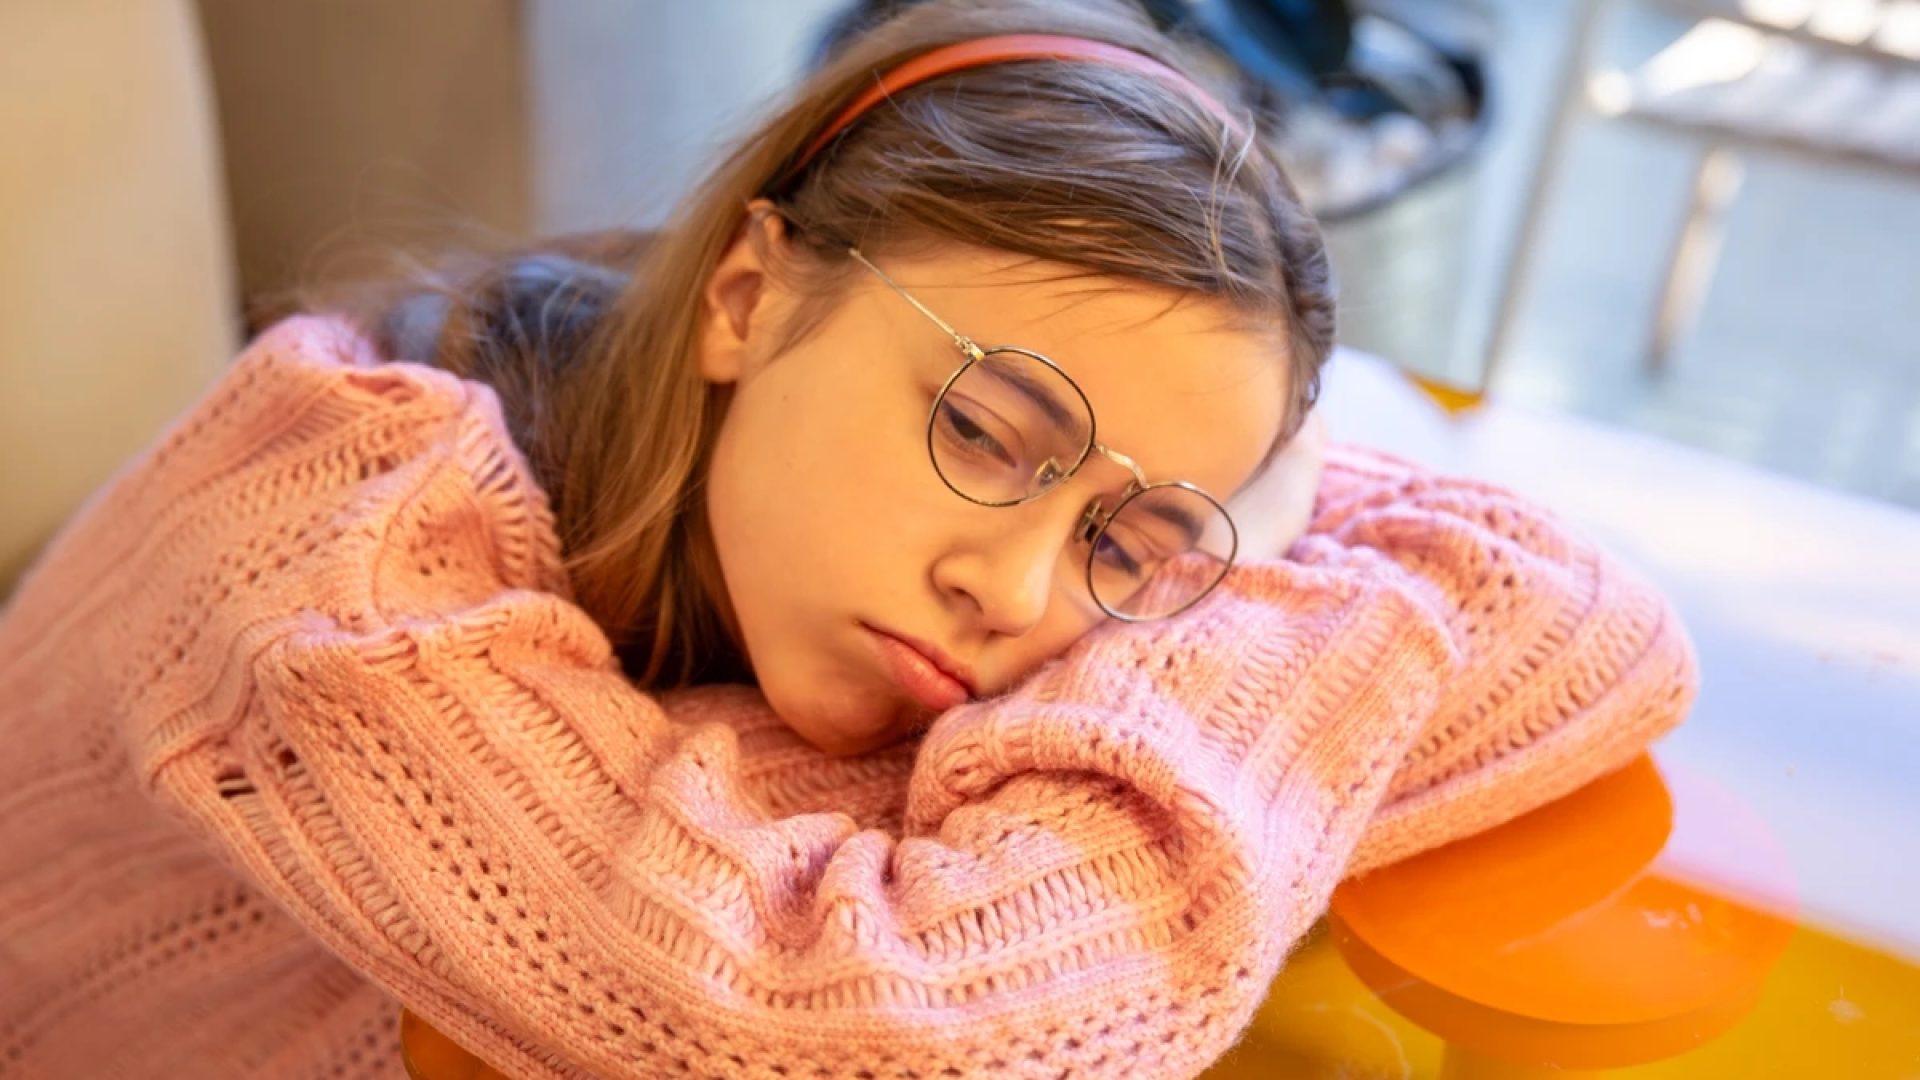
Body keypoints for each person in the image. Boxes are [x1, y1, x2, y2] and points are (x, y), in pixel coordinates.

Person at [0, 1, 1697, 1077]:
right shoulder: (344, 571)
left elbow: (1579, 617)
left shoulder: (777, 518)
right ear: (748, 292)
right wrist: (1260, 650)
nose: (1022, 595)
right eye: (982, 434)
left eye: (1137, 542)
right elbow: (874, 1029)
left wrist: (1234, 553)